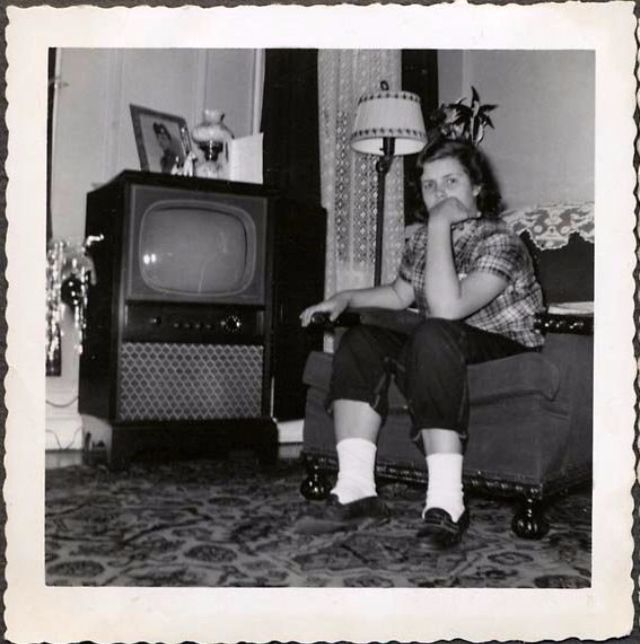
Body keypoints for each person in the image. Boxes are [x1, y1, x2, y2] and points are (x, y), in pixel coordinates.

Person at [299, 138, 545, 546]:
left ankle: (447, 503)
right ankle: (357, 491)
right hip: (445, 342)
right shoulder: (422, 241)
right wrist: (345, 297)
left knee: (432, 333)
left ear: (477, 186)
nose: (439, 193)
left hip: (504, 348)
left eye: (451, 181)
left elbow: (447, 309)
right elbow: (400, 295)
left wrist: (438, 225)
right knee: (361, 340)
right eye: (430, 185)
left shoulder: (501, 240)